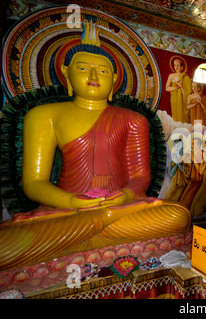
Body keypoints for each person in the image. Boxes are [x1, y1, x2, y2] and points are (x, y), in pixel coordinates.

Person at [0, 27, 191, 271]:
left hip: (122, 209)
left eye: (102, 71)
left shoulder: (133, 119)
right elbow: (34, 183)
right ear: (67, 75)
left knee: (178, 216)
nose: (93, 75)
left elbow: (140, 177)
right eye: (82, 68)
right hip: (67, 212)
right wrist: (71, 201)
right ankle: (100, 232)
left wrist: (124, 197)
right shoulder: (44, 116)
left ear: (113, 79)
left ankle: (91, 235)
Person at [165, 57, 191, 123]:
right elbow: (167, 88)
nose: (176, 67)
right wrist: (176, 88)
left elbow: (188, 92)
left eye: (178, 66)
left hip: (183, 99)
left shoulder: (186, 77)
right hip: (174, 98)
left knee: (183, 116)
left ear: (182, 67)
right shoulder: (171, 76)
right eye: (175, 65)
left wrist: (181, 87)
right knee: (176, 116)